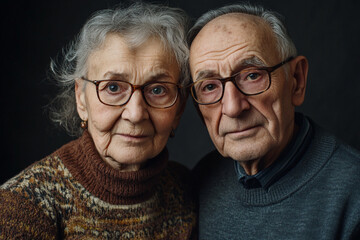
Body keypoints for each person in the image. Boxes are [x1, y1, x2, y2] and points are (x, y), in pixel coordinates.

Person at [0, 2, 196, 239]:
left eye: (157, 90)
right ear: (81, 99)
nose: (135, 114)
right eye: (113, 87)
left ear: (178, 109)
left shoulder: (188, 188)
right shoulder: (24, 204)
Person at [188, 3, 360, 239]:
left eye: (252, 75)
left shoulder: (354, 197)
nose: (233, 107)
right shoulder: (201, 180)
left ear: (296, 81)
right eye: (209, 87)